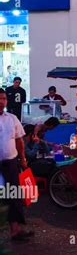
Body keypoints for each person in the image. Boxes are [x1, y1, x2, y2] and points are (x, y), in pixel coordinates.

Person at [0, 88, 33, 242]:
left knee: (14, 196)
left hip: (10, 163)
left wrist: (23, 159)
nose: (2, 101)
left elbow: (20, 140)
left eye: (4, 98)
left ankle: (15, 230)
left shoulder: (12, 118)